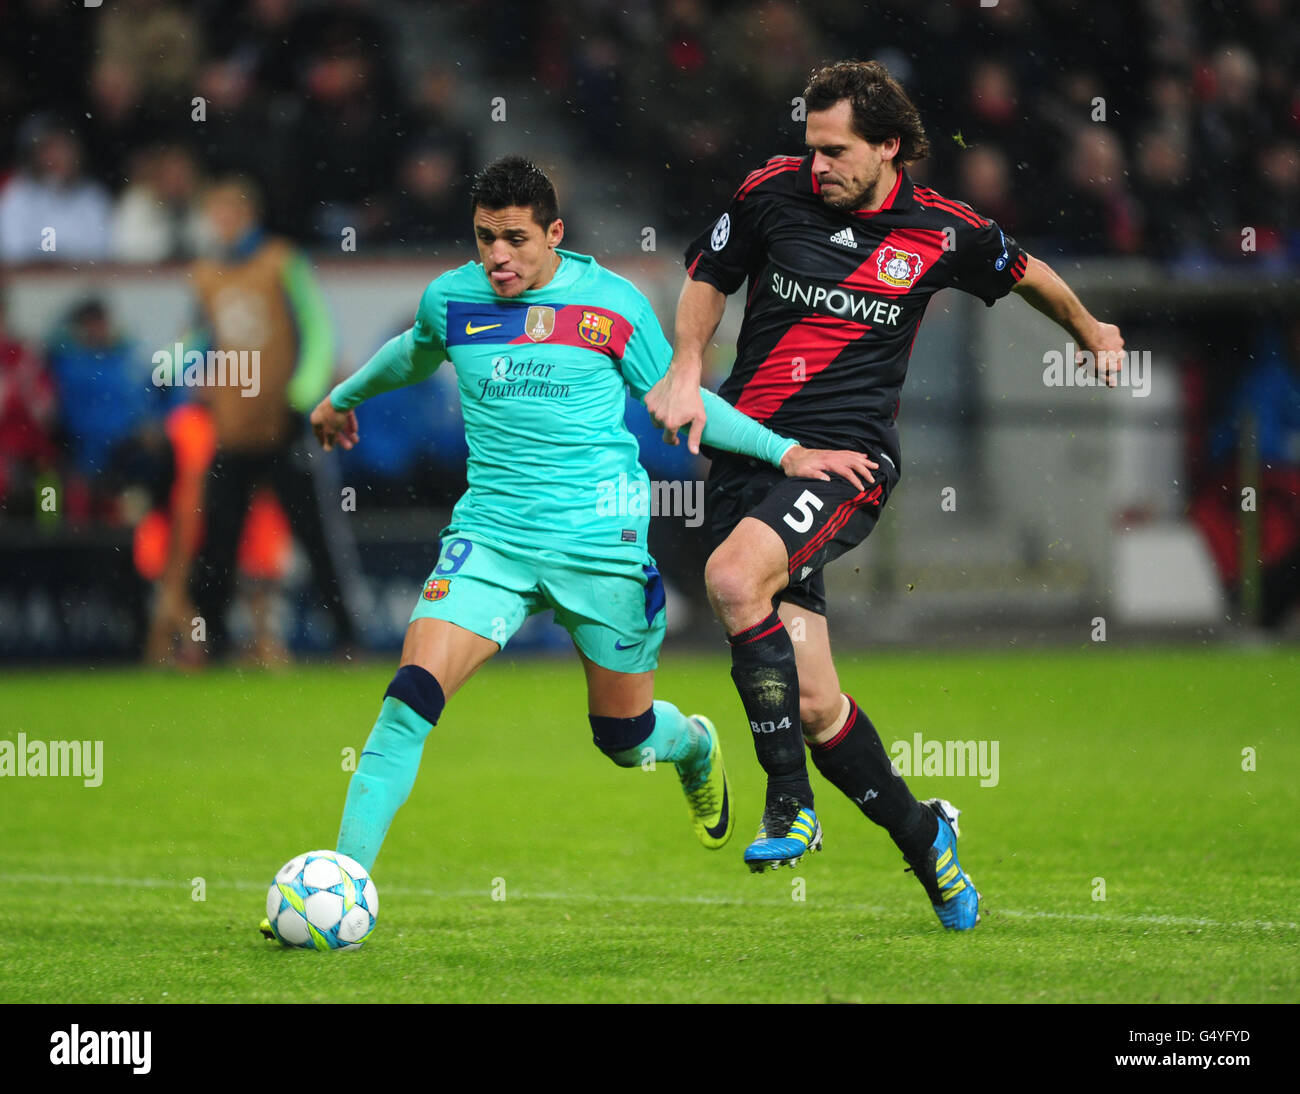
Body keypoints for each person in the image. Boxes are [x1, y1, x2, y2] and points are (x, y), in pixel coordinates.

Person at [288, 156, 874, 897]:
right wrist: (342, 398)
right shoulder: (451, 302)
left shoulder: (613, 306)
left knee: (623, 740)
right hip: (491, 542)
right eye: (483, 238)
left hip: (601, 549)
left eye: (515, 239)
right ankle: (342, 883)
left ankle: (691, 745)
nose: (497, 256)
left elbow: (683, 398)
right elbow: (410, 355)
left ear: (554, 234)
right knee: (408, 702)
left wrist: (787, 452)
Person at [647, 60, 1125, 930]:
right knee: (818, 702)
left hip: (844, 464)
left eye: (835, 151)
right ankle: (926, 840)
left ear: (889, 148)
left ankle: (787, 801)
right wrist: (688, 365)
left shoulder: (942, 231)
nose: (816, 164)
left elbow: (1029, 273)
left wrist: (1091, 329)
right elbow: (707, 280)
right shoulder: (771, 194)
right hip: (754, 458)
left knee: (729, 579)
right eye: (810, 147)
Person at [187, 175, 362, 660]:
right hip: (233, 426)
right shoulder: (205, 274)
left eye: (228, 213)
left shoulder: (283, 263)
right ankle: (212, 641)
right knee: (218, 540)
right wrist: (181, 378)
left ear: (247, 215)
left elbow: (320, 332)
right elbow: (198, 341)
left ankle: (348, 637)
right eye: (214, 214)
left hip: (283, 424)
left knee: (316, 536)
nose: (221, 223)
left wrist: (300, 397)